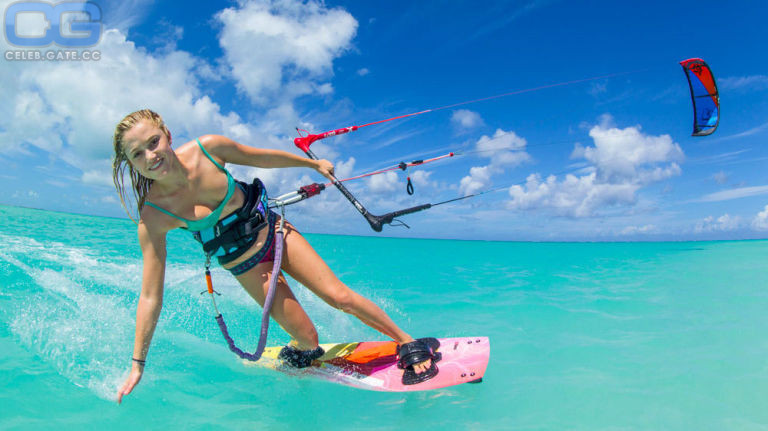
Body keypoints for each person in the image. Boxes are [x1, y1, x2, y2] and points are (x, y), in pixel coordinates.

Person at [113, 110, 438, 403]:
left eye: (153, 142)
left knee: (340, 297)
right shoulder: (154, 214)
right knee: (309, 340)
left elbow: (263, 158)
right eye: (137, 154)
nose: (150, 156)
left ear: (166, 134)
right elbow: (150, 295)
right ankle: (296, 352)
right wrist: (137, 364)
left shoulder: (208, 149)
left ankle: (406, 342)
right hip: (245, 264)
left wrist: (312, 164)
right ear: (130, 163)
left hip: (275, 232)